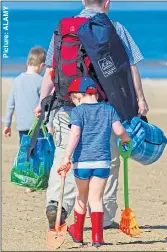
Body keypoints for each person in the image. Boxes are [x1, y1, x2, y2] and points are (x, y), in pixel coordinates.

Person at [34, 0, 149, 230]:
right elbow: (132, 67)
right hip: (105, 106)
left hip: (67, 104)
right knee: (108, 158)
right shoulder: (115, 28)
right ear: (107, 3)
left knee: (64, 154)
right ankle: (104, 216)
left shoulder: (64, 28)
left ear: (83, 1)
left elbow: (51, 69)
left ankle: (58, 204)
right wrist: (140, 99)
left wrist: (41, 102)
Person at [60, 76, 131, 247]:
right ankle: (98, 239)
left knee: (81, 197)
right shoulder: (108, 109)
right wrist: (126, 140)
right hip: (102, 163)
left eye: (72, 99)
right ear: (96, 95)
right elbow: (120, 131)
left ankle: (77, 234)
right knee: (96, 199)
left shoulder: (78, 112)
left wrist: (66, 157)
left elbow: (75, 135)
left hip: (82, 163)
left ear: (78, 96)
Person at [3, 47, 47, 192]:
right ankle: (34, 181)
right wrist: (49, 122)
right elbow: (44, 104)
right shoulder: (40, 81)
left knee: (26, 151)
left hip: (22, 125)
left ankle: (27, 181)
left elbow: (10, 104)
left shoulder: (17, 80)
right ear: (41, 65)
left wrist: (7, 124)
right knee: (38, 152)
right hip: (37, 125)